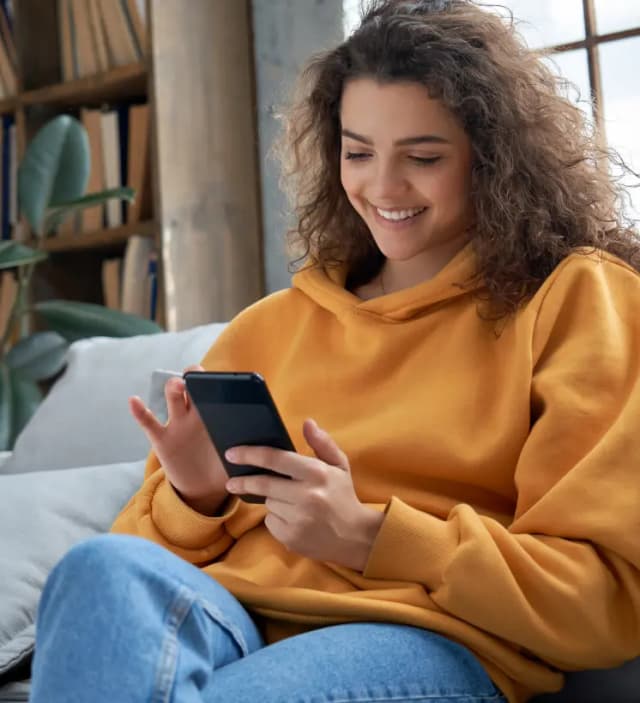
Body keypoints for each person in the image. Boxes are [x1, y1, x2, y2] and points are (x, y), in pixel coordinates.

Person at [28, 1, 640, 702]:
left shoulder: (576, 300)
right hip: (231, 615)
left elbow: (605, 598)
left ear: (493, 160)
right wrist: (195, 497)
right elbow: (148, 565)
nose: (382, 188)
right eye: (358, 153)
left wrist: (369, 535)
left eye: (424, 157)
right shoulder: (268, 327)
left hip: (421, 633)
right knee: (98, 568)